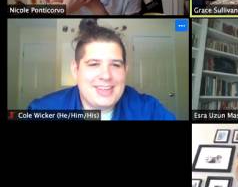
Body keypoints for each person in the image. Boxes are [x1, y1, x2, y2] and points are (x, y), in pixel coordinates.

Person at [28, 19, 175, 120]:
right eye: (93, 64)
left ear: (125, 70)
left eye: (116, 65)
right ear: (75, 69)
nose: (106, 75)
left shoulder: (149, 110)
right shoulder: (41, 110)